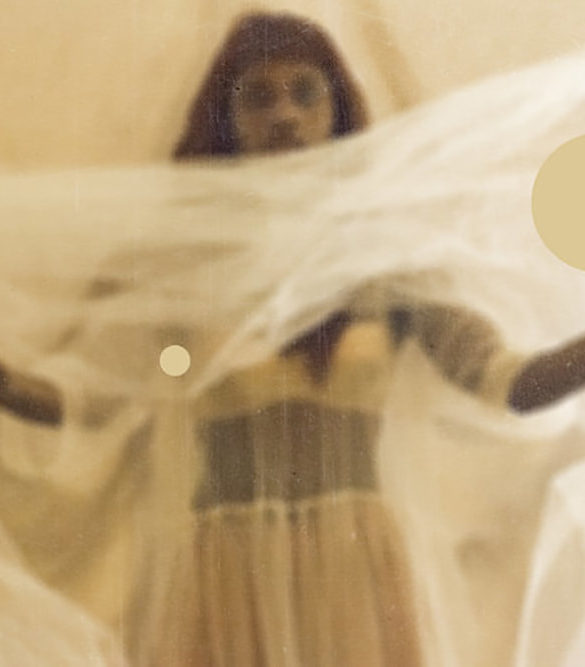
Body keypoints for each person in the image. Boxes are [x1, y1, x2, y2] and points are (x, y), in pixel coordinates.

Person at [2, 10, 585, 667]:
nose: (284, 114)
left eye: (306, 93)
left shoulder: (386, 262)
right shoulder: (180, 268)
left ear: (338, 110)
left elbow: (509, 381)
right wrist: (8, 382)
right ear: (226, 120)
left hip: (357, 582)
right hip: (225, 581)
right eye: (258, 97)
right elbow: (91, 396)